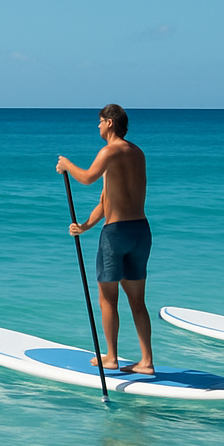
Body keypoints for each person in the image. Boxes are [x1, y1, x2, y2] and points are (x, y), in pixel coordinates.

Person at [56, 104, 154, 374]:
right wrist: (84, 226)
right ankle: (146, 361)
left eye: (99, 121)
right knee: (137, 301)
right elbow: (106, 199)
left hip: (116, 234)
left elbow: (87, 178)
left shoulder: (109, 151)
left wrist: (67, 166)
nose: (97, 126)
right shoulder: (137, 153)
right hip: (141, 232)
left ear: (110, 122)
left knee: (107, 299)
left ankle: (111, 357)